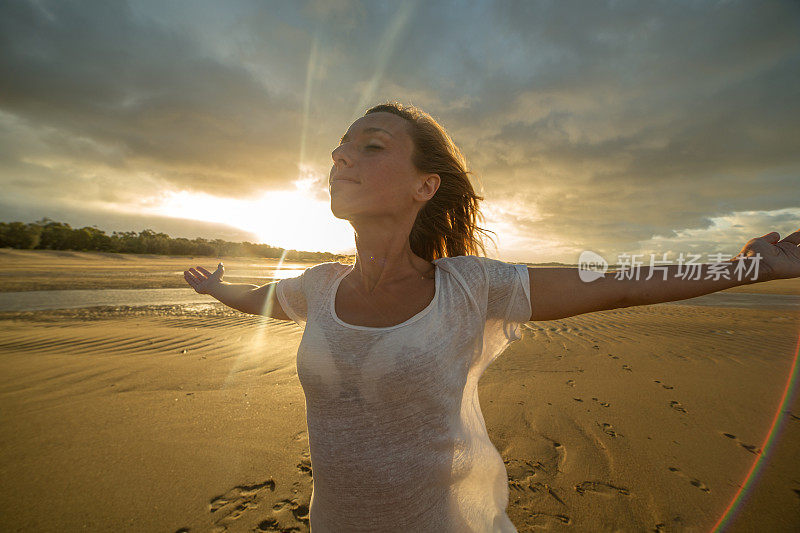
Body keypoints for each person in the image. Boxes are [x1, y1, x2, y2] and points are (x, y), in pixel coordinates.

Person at [184, 101, 800, 532]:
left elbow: (614, 285)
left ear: (426, 186)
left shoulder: (470, 287)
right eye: (340, 147)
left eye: (370, 146)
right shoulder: (316, 288)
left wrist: (751, 268)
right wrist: (220, 289)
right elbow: (261, 301)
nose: (342, 157)